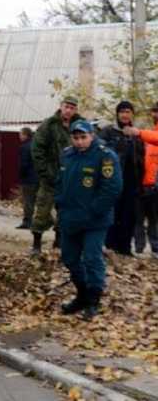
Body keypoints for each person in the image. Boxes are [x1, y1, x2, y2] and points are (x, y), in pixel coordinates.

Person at [55, 120, 122, 320]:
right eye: (75, 138)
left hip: (95, 220)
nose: (79, 142)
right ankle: (82, 295)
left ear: (91, 135)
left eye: (83, 137)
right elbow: (59, 182)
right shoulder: (67, 155)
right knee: (69, 258)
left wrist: (94, 210)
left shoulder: (105, 156)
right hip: (70, 218)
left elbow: (113, 188)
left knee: (92, 258)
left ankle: (93, 300)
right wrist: (59, 203)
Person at [30, 97, 84, 254]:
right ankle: (36, 244)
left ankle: (59, 242)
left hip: (71, 178)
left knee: (65, 212)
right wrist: (46, 173)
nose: (69, 110)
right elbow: (37, 150)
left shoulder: (79, 125)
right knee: (42, 210)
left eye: (72, 108)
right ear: (61, 107)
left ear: (76, 110)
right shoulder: (49, 125)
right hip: (51, 177)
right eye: (66, 106)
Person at [99, 100, 144, 255]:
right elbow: (101, 155)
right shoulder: (108, 132)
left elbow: (142, 157)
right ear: (117, 114)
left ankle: (125, 248)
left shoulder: (137, 134)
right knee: (113, 213)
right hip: (113, 180)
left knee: (129, 215)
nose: (125, 115)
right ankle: (110, 246)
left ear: (132, 114)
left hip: (133, 182)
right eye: (122, 111)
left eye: (128, 111)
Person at [122, 104, 158, 258]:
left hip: (155, 186)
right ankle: (139, 249)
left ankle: (155, 249)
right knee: (138, 219)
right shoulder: (149, 134)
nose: (155, 114)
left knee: (154, 219)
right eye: (154, 111)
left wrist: (139, 132)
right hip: (141, 184)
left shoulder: (148, 135)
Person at [16, 127, 38, 229]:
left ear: (25, 135)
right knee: (37, 201)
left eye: (21, 134)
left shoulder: (25, 147)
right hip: (37, 177)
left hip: (28, 178)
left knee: (28, 201)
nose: (19, 136)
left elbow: (24, 164)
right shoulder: (36, 145)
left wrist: (21, 175)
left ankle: (27, 222)